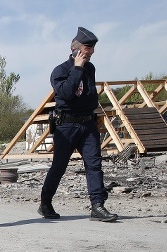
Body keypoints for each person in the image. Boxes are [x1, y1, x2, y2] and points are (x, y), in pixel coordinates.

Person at [38, 27, 117, 222]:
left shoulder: (90, 68)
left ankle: (97, 206)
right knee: (59, 166)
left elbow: (89, 96)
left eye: (92, 49)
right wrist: (77, 68)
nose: (91, 53)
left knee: (94, 164)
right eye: (87, 48)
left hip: (88, 124)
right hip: (66, 125)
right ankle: (45, 202)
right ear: (75, 49)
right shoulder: (60, 71)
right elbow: (65, 94)